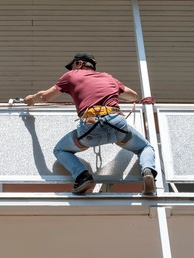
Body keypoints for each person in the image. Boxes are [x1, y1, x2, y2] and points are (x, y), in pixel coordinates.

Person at [24, 52, 157, 195]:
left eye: (73, 66)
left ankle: (83, 177)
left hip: (90, 129)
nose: (71, 70)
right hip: (117, 126)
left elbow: (44, 97)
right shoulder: (108, 77)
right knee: (145, 147)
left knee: (60, 150)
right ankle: (148, 172)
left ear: (79, 63)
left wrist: (31, 99)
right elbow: (133, 96)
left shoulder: (71, 76)